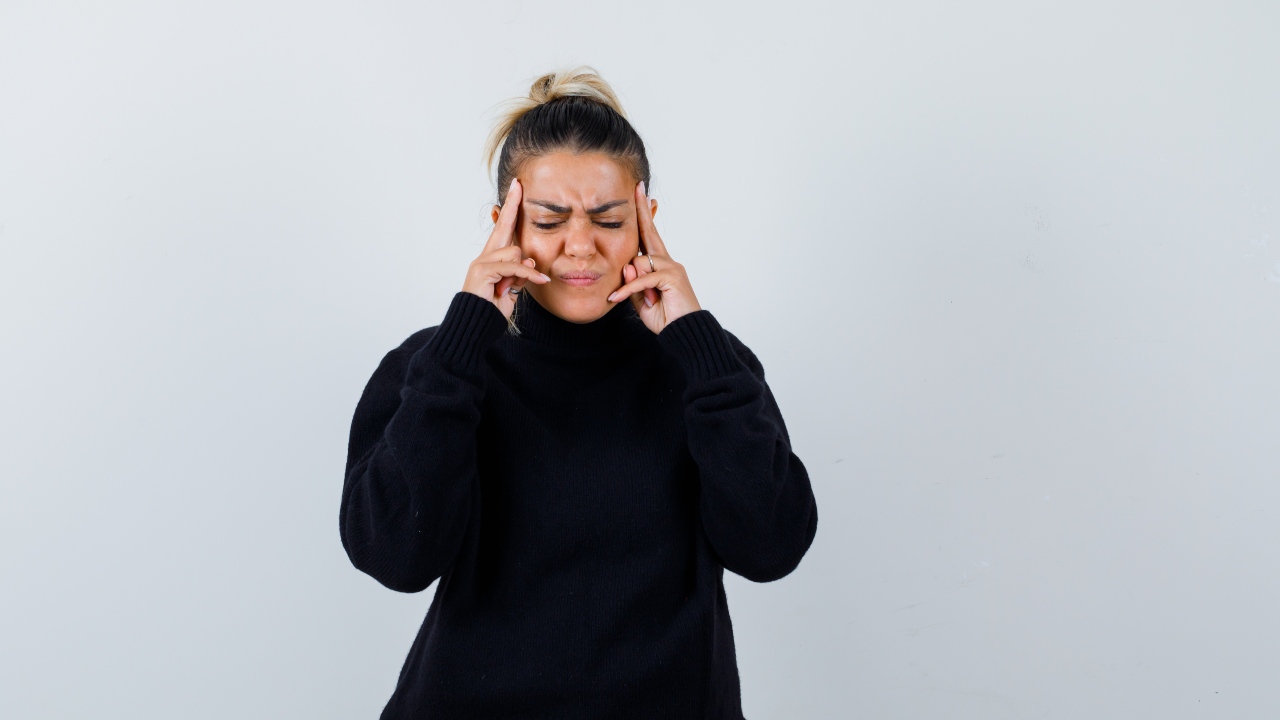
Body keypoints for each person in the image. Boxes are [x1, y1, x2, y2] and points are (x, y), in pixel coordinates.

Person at [339, 67, 818, 719]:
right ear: (504, 226)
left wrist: (698, 344)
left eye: (608, 219)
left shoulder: (709, 368)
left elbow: (771, 547)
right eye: (549, 219)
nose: (581, 246)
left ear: (646, 221)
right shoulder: (436, 366)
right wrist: (462, 342)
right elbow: (394, 556)